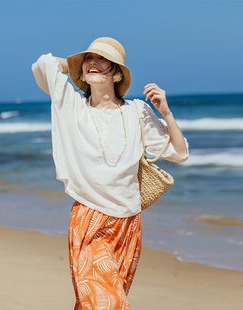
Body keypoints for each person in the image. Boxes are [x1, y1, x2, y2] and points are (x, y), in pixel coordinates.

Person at [32, 37, 188, 310]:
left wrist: (166, 112)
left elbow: (180, 152)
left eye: (102, 59)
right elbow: (43, 64)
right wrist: (76, 66)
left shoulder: (137, 112)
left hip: (129, 223)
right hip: (89, 218)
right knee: (109, 304)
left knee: (96, 302)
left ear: (116, 72)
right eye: (89, 58)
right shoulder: (70, 104)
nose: (93, 61)